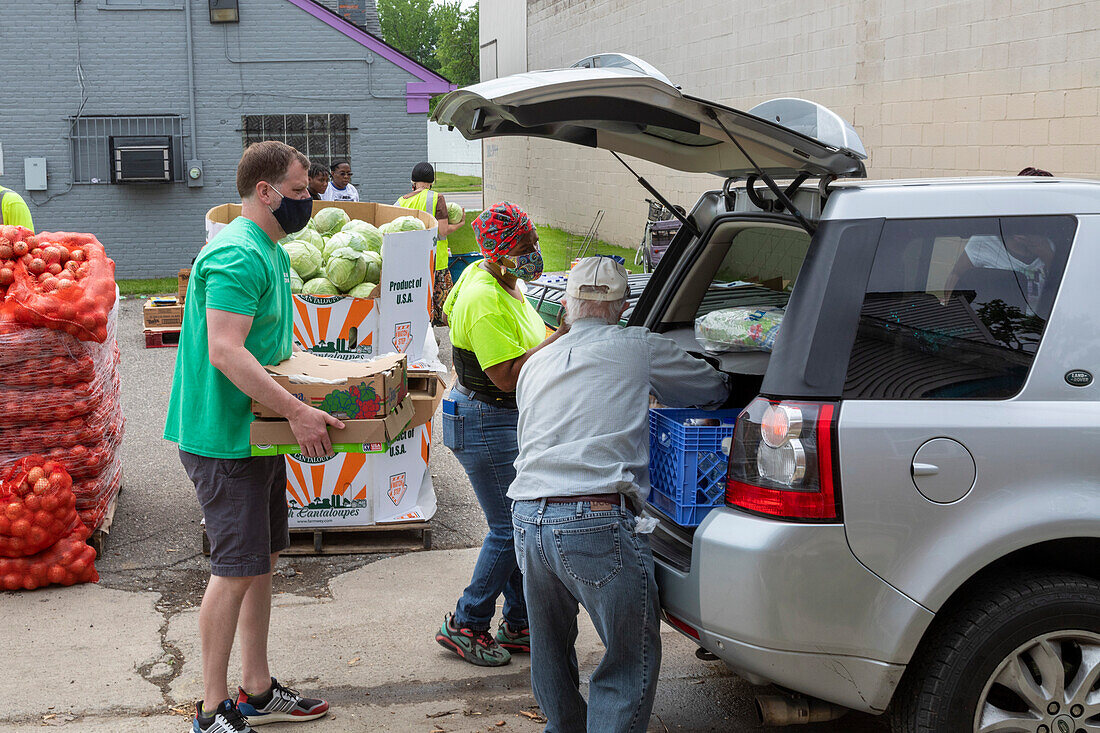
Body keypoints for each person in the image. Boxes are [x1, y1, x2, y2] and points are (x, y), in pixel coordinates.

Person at [164, 141, 341, 733]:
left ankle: (258, 689)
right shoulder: (238, 255)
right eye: (297, 192)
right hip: (225, 439)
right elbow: (224, 350)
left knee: (260, 560)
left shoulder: (271, 248)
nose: (307, 201)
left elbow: (264, 344)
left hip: (256, 433)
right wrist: (297, 410)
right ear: (264, 192)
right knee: (235, 568)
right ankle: (212, 710)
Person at [509, 257, 729, 733]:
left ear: (565, 307)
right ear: (624, 305)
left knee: (548, 647)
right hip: (593, 516)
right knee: (631, 654)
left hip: (528, 518)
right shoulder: (637, 346)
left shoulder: (536, 362)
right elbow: (711, 388)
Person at [435, 202, 568, 666]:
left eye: (533, 243)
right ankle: (467, 623)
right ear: (499, 253)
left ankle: (518, 623)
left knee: (517, 521)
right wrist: (563, 338)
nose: (534, 253)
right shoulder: (483, 299)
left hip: (501, 417)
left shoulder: (506, 281)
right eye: (525, 247)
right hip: (485, 419)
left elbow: (527, 336)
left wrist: (555, 329)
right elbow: (507, 376)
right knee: (510, 528)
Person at [395, 162, 465, 325]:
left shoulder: (400, 201)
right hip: (436, 262)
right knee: (444, 310)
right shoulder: (436, 198)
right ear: (431, 181)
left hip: (411, 262)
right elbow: (442, 231)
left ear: (412, 181)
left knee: (418, 304)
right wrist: (460, 223)